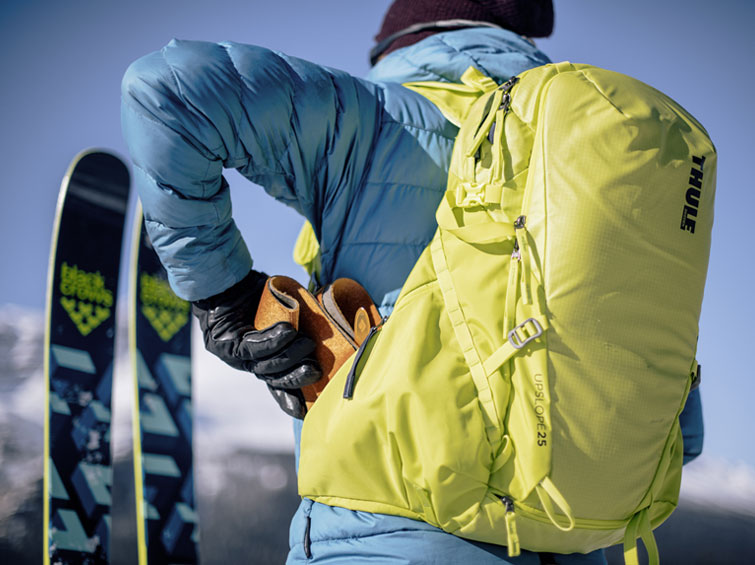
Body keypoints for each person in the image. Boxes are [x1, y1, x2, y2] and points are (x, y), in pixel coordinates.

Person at [121, 1, 704, 563]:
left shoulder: (375, 119)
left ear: (401, 35)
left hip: (391, 533)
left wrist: (224, 294)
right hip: (576, 540)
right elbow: (685, 433)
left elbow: (166, 91)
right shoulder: (593, 163)